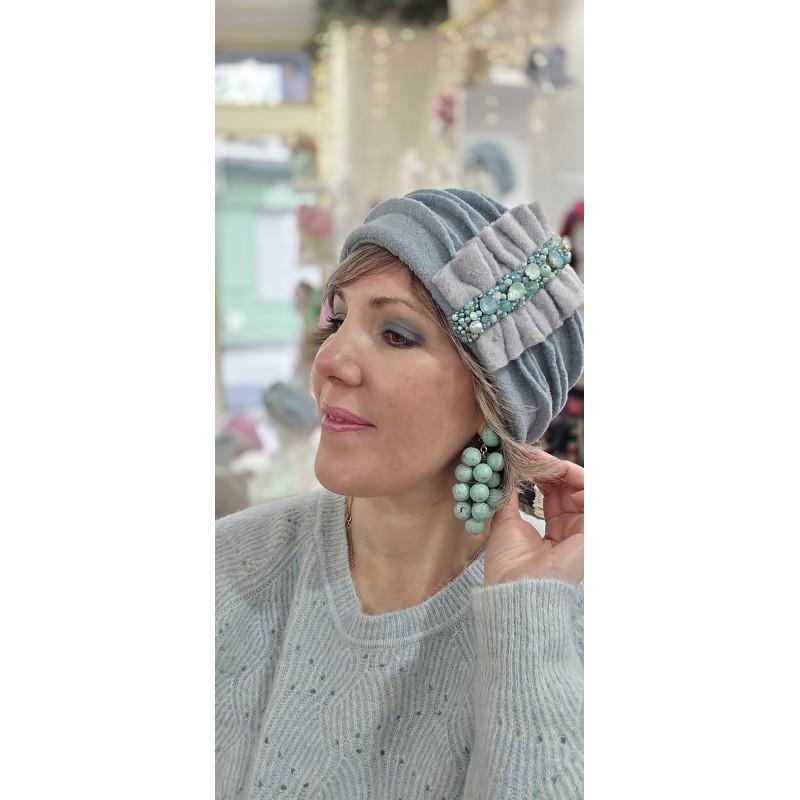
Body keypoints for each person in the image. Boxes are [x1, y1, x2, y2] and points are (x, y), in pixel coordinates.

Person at [216, 188, 585, 799]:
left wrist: (526, 619)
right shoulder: (229, 568)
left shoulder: (567, 621)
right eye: (337, 320)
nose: (330, 360)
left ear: (494, 399)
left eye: (396, 334)